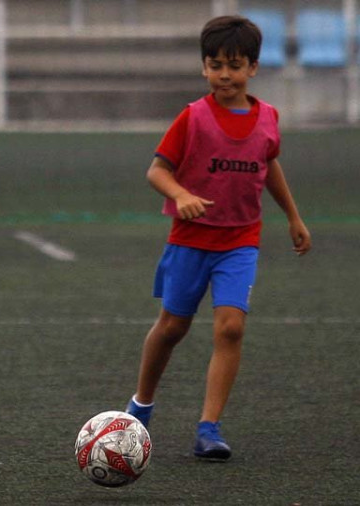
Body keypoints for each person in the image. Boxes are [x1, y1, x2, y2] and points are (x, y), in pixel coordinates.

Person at [124, 16, 312, 461]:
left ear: (253, 68)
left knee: (231, 327)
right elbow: (157, 170)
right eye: (215, 65)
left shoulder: (268, 118)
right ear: (204, 68)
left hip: (240, 241)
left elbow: (269, 166)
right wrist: (181, 194)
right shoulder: (193, 117)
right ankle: (140, 407)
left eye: (234, 65)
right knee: (172, 328)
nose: (224, 74)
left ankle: (209, 428)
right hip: (190, 241)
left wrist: (293, 216)